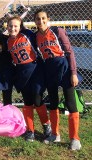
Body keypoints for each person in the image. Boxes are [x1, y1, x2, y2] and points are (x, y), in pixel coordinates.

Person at [34, 9, 81, 150]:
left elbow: (69, 52)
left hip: (63, 67)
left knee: (70, 102)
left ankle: (75, 138)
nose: (40, 21)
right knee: (53, 102)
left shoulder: (57, 31)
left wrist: (73, 73)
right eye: (37, 19)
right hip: (49, 68)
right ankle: (55, 134)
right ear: (35, 21)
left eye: (43, 18)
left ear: (48, 19)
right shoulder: (36, 36)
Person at [7, 16, 51, 142]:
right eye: (10, 26)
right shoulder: (7, 41)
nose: (13, 28)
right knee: (27, 102)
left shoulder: (27, 34)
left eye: (16, 26)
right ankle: (30, 130)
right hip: (21, 72)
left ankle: (46, 126)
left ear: (20, 26)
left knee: (37, 100)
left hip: (35, 69)